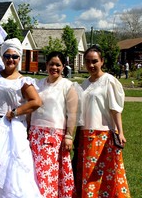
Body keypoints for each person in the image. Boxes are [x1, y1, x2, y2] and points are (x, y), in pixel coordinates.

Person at [0, 26, 43, 198]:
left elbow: (36, 101)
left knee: (12, 167)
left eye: (14, 56)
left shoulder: (23, 81)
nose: (10, 59)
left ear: (19, 58)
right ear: (2, 56)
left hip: (12, 128)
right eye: (7, 56)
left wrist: (16, 111)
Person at [74, 45, 131, 197]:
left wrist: (120, 131)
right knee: (88, 173)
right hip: (85, 134)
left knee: (101, 174)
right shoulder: (84, 84)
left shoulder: (108, 81)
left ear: (102, 62)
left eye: (94, 61)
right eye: (87, 61)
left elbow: (115, 108)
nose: (91, 65)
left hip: (102, 134)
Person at [29, 51, 80, 197]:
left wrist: (69, 136)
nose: (54, 67)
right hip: (35, 136)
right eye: (51, 64)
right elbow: (31, 108)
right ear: (46, 65)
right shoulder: (38, 84)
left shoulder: (68, 86)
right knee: (36, 173)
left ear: (63, 66)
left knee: (48, 174)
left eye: (58, 64)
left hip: (54, 138)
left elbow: (72, 114)